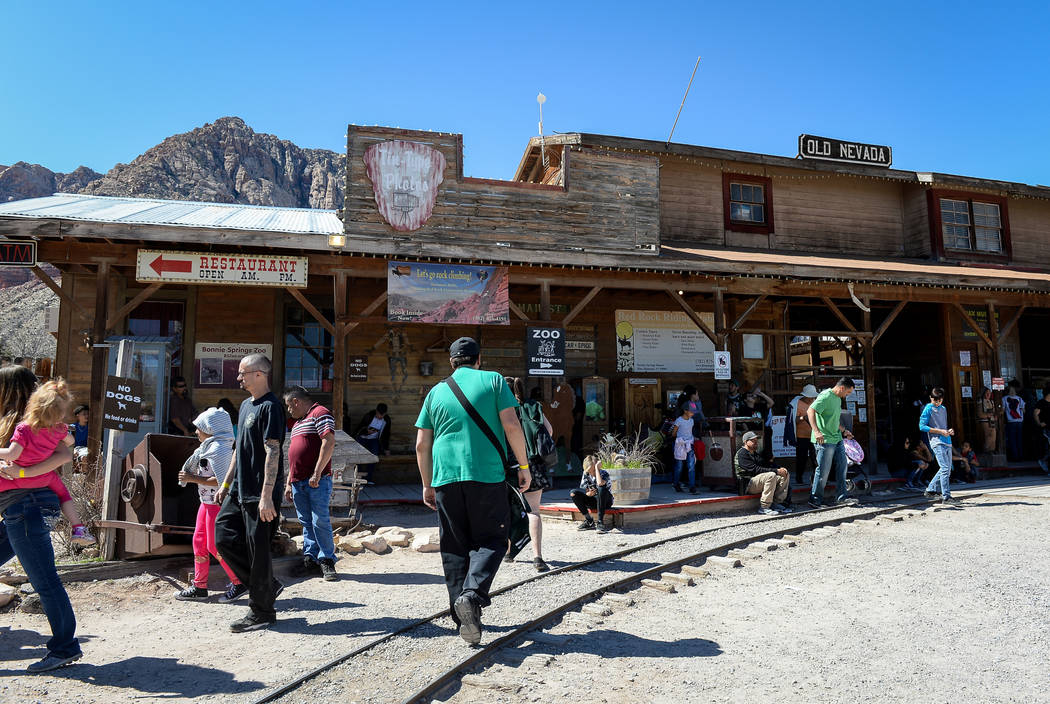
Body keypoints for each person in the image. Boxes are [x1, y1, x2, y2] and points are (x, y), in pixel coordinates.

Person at [414, 337, 530, 645]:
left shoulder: (435, 393)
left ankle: (464, 619)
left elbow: (421, 444)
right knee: (492, 540)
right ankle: (472, 595)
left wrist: (427, 484)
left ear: (451, 363)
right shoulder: (493, 380)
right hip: (485, 475)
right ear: (479, 359)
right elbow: (512, 426)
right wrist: (524, 466)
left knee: (454, 545)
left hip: (444, 479)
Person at [0, 364, 82, 673]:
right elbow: (62, 454)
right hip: (22, 507)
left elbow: (63, 457)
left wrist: (21, 471)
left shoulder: (29, 423)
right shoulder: (42, 421)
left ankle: (65, 648)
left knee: (44, 579)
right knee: (44, 577)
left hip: (25, 507)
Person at [214, 354, 287, 632]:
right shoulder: (245, 405)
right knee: (223, 536)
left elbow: (273, 450)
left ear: (260, 374)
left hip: (260, 494)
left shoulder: (272, 407)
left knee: (259, 553)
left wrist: (268, 495)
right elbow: (238, 449)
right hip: (238, 489)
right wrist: (225, 483)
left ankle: (262, 611)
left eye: (243, 373)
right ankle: (266, 585)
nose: (238, 378)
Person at [0, 379, 94, 546]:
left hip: (15, 477)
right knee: (64, 495)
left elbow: (12, 454)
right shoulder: (59, 429)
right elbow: (71, 441)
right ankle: (78, 528)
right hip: (44, 477)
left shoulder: (24, 429)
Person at [174, 407, 243, 602]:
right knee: (199, 542)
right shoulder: (208, 448)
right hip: (205, 502)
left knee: (215, 545)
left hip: (216, 504)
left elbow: (220, 481)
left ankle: (239, 582)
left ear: (211, 429)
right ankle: (199, 586)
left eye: (200, 427)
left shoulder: (220, 450)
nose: (196, 431)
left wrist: (192, 478)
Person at [283, 385, 338, 582]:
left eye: (289, 406)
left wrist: (317, 473)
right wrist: (289, 482)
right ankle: (311, 559)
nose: (289, 410)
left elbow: (328, 442)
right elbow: (294, 456)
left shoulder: (320, 412)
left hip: (316, 480)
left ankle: (327, 560)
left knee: (319, 520)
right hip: (298, 481)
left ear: (296, 401)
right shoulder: (298, 423)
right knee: (306, 522)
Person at [506, 379, 552, 572]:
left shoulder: (502, 410)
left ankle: (509, 552)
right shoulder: (533, 406)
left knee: (506, 510)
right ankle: (537, 557)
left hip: (508, 464)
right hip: (533, 463)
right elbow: (549, 431)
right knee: (534, 510)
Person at [806, 377, 858, 508]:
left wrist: (844, 430)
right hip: (825, 440)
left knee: (842, 468)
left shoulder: (837, 398)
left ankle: (841, 498)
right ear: (841, 388)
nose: (847, 396)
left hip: (837, 438)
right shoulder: (825, 396)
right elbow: (810, 411)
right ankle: (815, 499)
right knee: (823, 471)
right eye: (848, 392)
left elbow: (833, 419)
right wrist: (816, 431)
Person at [734, 430, 791, 515]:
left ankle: (776, 503)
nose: (756, 442)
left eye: (756, 440)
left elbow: (765, 465)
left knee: (784, 474)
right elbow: (755, 469)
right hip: (747, 484)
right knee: (771, 475)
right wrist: (776, 471)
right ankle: (764, 507)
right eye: (753, 441)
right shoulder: (742, 454)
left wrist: (779, 469)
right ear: (746, 442)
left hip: (757, 481)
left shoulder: (755, 454)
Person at [919, 387, 959, 505]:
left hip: (947, 440)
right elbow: (922, 426)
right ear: (931, 398)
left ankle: (931, 489)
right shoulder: (928, 408)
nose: (937, 402)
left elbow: (943, 426)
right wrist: (940, 431)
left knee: (946, 469)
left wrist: (948, 431)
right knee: (945, 468)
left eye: (940, 400)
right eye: (935, 400)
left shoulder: (943, 409)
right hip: (936, 442)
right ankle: (946, 497)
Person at [570, 454, 614, 532]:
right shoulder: (586, 474)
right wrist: (588, 494)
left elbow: (600, 483)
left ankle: (600, 522)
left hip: (606, 501)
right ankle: (589, 521)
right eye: (589, 472)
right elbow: (586, 490)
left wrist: (596, 468)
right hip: (594, 500)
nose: (591, 473)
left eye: (593, 471)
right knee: (573, 493)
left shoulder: (604, 473)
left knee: (601, 488)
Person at [354, 403, 391, 484]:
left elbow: (386, 435)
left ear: (385, 414)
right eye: (378, 414)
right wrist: (366, 432)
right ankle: (358, 478)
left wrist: (386, 449)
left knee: (374, 456)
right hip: (363, 438)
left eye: (382, 415)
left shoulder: (387, 420)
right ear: (376, 411)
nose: (380, 416)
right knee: (359, 455)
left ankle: (369, 478)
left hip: (374, 440)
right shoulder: (369, 416)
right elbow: (359, 429)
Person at [791, 384, 819, 484]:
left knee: (816, 458)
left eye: (812, 396)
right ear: (805, 396)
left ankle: (817, 479)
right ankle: (799, 478)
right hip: (801, 436)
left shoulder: (816, 402)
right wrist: (803, 417)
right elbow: (793, 420)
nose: (811, 398)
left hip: (815, 435)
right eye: (810, 397)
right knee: (801, 458)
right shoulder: (796, 404)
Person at [670, 402, 700, 494]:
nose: (693, 413)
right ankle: (675, 483)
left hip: (689, 444)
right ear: (685, 411)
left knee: (691, 466)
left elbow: (689, 432)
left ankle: (692, 486)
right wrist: (680, 439)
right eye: (691, 411)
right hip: (681, 445)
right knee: (679, 467)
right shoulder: (679, 420)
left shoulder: (691, 421)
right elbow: (673, 433)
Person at [1003, 384, 1025, 461]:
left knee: (1012, 440)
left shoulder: (1004, 398)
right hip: (1019, 421)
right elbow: (1023, 410)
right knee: (1019, 439)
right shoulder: (1019, 398)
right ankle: (1021, 456)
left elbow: (1002, 410)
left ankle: (1015, 457)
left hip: (1011, 421)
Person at [1033, 388, 1050, 474]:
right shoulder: (1041, 403)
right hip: (1046, 429)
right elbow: (1035, 414)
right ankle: (1043, 461)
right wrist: (1039, 423)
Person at [976, 387, 997, 454]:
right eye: (986, 393)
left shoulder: (992, 402)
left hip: (992, 421)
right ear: (983, 394)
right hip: (984, 421)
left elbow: (994, 412)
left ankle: (992, 450)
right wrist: (988, 415)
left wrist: (995, 416)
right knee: (988, 436)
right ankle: (986, 451)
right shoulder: (981, 402)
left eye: (989, 393)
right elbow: (979, 414)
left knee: (993, 436)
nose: (988, 394)